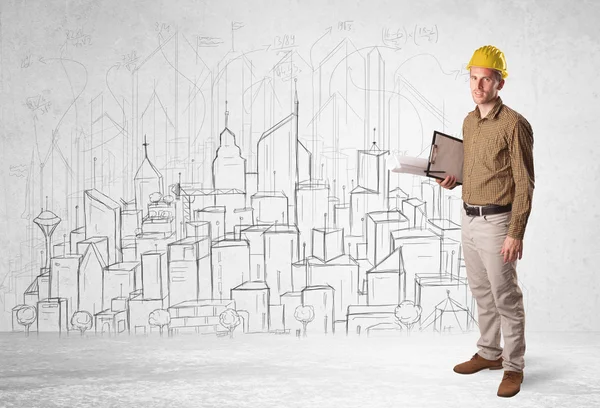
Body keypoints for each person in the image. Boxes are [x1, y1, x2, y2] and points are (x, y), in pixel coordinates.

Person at [436, 45, 534, 398]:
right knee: (481, 291)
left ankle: (513, 367)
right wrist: (453, 179)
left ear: (499, 84)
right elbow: (478, 170)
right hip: (469, 217)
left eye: (486, 80)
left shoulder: (514, 124)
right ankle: (490, 353)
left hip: (497, 222)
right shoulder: (469, 121)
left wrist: (515, 232)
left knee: (505, 295)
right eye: (473, 78)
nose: (478, 86)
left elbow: (524, 181)